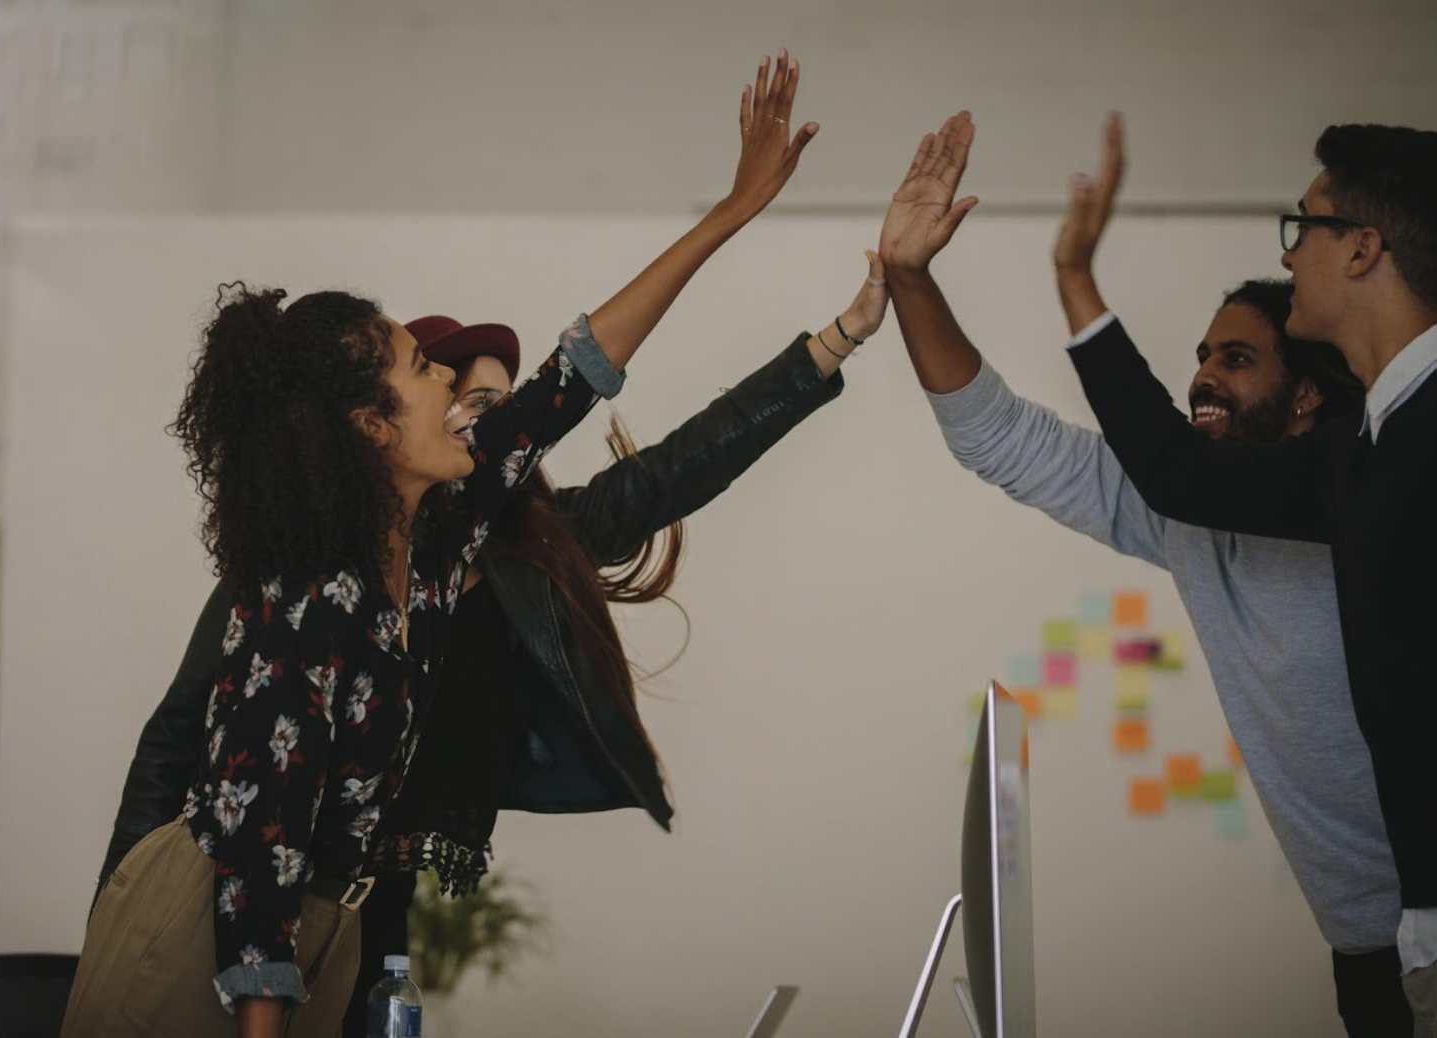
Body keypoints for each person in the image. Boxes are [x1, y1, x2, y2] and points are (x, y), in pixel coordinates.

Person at [66, 49, 833, 1038]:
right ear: (371, 426)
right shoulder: (301, 602)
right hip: (211, 943)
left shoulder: (434, 545)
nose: (451, 389)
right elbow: (255, 865)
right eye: (422, 367)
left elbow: (579, 370)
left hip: (321, 935)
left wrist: (731, 213)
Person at [875, 110, 1406, 1035]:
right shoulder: (1191, 525)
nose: (1202, 378)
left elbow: (1175, 465)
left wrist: (1076, 278)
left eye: (1235, 360)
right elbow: (1000, 436)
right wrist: (909, 278)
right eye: (1200, 356)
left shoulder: (1364, 487)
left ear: (1309, 395)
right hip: (1364, 950)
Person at [340, 258, 889, 1034]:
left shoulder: (525, 545)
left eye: (505, 401)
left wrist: (840, 339)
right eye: (476, 399)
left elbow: (681, 468)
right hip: (284, 881)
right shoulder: (333, 561)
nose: (498, 419)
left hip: (378, 898)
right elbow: (186, 733)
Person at [1047, 115, 1437, 1034]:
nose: (1291, 253)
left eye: (1304, 226)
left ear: (1362, 248)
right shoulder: (1362, 451)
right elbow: (1180, 476)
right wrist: (1074, 280)